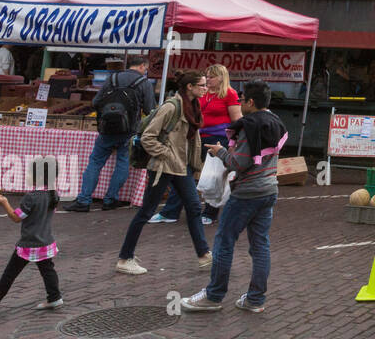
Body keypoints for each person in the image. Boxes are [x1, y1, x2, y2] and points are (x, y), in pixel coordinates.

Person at [179, 81, 288, 313]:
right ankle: (255, 299)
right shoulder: (275, 121)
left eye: (242, 99)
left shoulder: (250, 127)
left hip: (247, 193)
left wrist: (221, 153)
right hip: (269, 189)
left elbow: (239, 162)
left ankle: (214, 295)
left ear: (250, 102)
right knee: (260, 245)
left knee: (224, 242)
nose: (238, 103)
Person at [115, 71, 212, 275]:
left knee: (194, 207)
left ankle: (204, 255)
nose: (206, 88)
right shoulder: (171, 107)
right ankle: (125, 258)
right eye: (202, 85)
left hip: (180, 167)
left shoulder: (193, 107)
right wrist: (166, 154)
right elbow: (148, 137)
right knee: (146, 212)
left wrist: (194, 165)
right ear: (190, 87)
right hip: (164, 167)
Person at [63, 55, 156, 213]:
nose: (145, 71)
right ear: (141, 66)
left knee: (95, 162)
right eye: (145, 69)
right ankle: (110, 199)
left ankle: (84, 200)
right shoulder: (144, 83)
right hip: (129, 129)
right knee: (122, 163)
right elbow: (150, 110)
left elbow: (95, 102)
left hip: (107, 129)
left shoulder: (112, 79)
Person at [152, 63, 241, 225]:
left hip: (218, 139)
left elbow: (237, 119)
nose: (208, 79)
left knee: (214, 176)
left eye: (211, 77)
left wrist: (233, 143)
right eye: (207, 76)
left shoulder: (230, 94)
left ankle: (210, 213)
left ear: (221, 77)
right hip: (197, 137)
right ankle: (171, 211)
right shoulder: (202, 93)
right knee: (183, 172)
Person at [0, 169, 63, 313]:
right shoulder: (53, 194)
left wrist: (4, 202)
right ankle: (54, 297)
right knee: (48, 270)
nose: (26, 174)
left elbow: (17, 217)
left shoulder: (32, 197)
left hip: (29, 243)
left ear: (39, 177)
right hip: (45, 241)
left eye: (30, 172)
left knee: (10, 273)